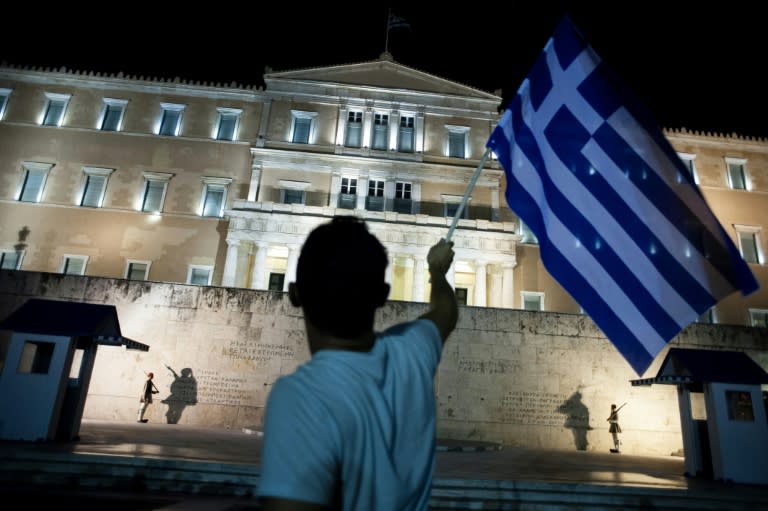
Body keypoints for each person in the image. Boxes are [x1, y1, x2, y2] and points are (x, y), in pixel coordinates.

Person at [257, 216, 458, 511]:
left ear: (295, 293)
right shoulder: (412, 353)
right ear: (382, 296)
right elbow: (446, 311)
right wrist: (437, 271)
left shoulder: (301, 396)